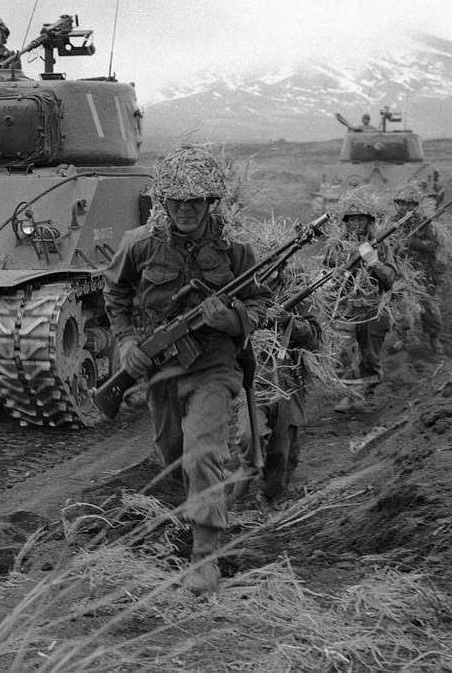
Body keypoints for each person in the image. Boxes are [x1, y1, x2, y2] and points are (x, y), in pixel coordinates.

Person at [104, 145, 272, 593]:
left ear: (211, 202)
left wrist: (232, 319)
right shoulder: (138, 245)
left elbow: (259, 303)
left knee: (203, 454)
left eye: (194, 200)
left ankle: (205, 557)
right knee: (174, 455)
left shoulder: (235, 250)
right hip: (161, 370)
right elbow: (115, 296)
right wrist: (126, 343)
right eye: (176, 200)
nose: (184, 209)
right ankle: (196, 517)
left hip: (215, 366)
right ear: (162, 201)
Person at [237, 256, 322, 504]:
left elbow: (315, 338)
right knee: (248, 436)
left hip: (288, 383)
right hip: (252, 382)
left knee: (282, 452)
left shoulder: (299, 294)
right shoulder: (242, 294)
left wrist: (288, 322)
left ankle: (269, 496)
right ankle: (240, 489)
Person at [323, 193, 397, 413]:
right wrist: (335, 275)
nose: (356, 224)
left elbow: (390, 279)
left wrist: (373, 261)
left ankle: (369, 392)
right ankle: (349, 395)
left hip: (373, 309)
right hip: (346, 309)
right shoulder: (336, 247)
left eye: (361, 219)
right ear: (346, 222)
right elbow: (326, 276)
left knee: (370, 355)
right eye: (352, 219)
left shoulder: (381, 246)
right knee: (342, 353)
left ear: (369, 222)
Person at [391, 182, 443, 355]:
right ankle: (402, 338)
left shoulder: (425, 223)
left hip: (423, 272)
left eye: (410, 204)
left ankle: (434, 338)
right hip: (400, 272)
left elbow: (433, 244)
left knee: (428, 307)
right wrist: (396, 247)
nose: (406, 207)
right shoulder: (391, 223)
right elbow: (384, 246)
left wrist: (414, 242)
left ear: (415, 206)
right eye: (403, 203)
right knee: (401, 307)